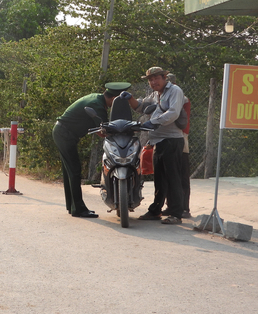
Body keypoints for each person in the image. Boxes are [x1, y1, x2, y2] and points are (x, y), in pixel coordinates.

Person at [52, 82, 131, 218]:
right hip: (65, 134)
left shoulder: (97, 99)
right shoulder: (98, 105)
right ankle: (78, 209)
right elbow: (103, 131)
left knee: (69, 171)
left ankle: (73, 206)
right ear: (114, 99)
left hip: (62, 132)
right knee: (74, 171)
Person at [126, 67, 185, 224]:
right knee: (160, 179)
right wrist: (130, 98)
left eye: (156, 78)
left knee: (173, 178)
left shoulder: (174, 91)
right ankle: (155, 211)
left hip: (171, 140)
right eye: (150, 80)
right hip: (158, 141)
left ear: (165, 77)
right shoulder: (155, 94)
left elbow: (173, 113)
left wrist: (153, 122)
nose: (153, 82)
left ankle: (176, 213)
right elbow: (141, 106)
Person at [167, 73, 191, 218]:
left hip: (180, 137)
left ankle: (184, 207)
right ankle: (172, 206)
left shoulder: (179, 96)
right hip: (170, 138)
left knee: (181, 174)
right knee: (170, 174)